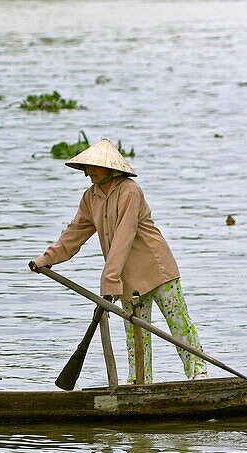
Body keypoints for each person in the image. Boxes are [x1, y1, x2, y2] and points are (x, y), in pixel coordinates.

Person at [29, 138, 208, 383]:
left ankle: (198, 372)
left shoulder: (129, 191)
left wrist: (109, 280)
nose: (89, 172)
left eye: (95, 167)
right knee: (136, 336)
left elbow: (124, 237)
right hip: (127, 277)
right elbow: (74, 233)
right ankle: (139, 383)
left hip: (157, 268)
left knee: (178, 324)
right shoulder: (90, 197)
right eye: (87, 167)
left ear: (111, 169)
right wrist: (45, 259)